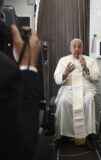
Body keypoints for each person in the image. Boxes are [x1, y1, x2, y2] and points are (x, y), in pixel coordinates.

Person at [0, 0, 41, 159]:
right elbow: (23, 149)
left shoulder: (90, 61)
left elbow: (95, 76)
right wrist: (29, 65)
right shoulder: (6, 71)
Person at [54, 38, 101, 150]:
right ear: (70, 48)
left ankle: (89, 136)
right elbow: (57, 79)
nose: (76, 49)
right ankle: (63, 136)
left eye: (79, 46)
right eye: (74, 46)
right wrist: (65, 73)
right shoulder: (63, 60)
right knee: (64, 101)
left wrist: (86, 68)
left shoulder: (90, 60)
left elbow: (97, 78)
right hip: (69, 91)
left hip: (86, 91)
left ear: (82, 48)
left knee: (90, 99)